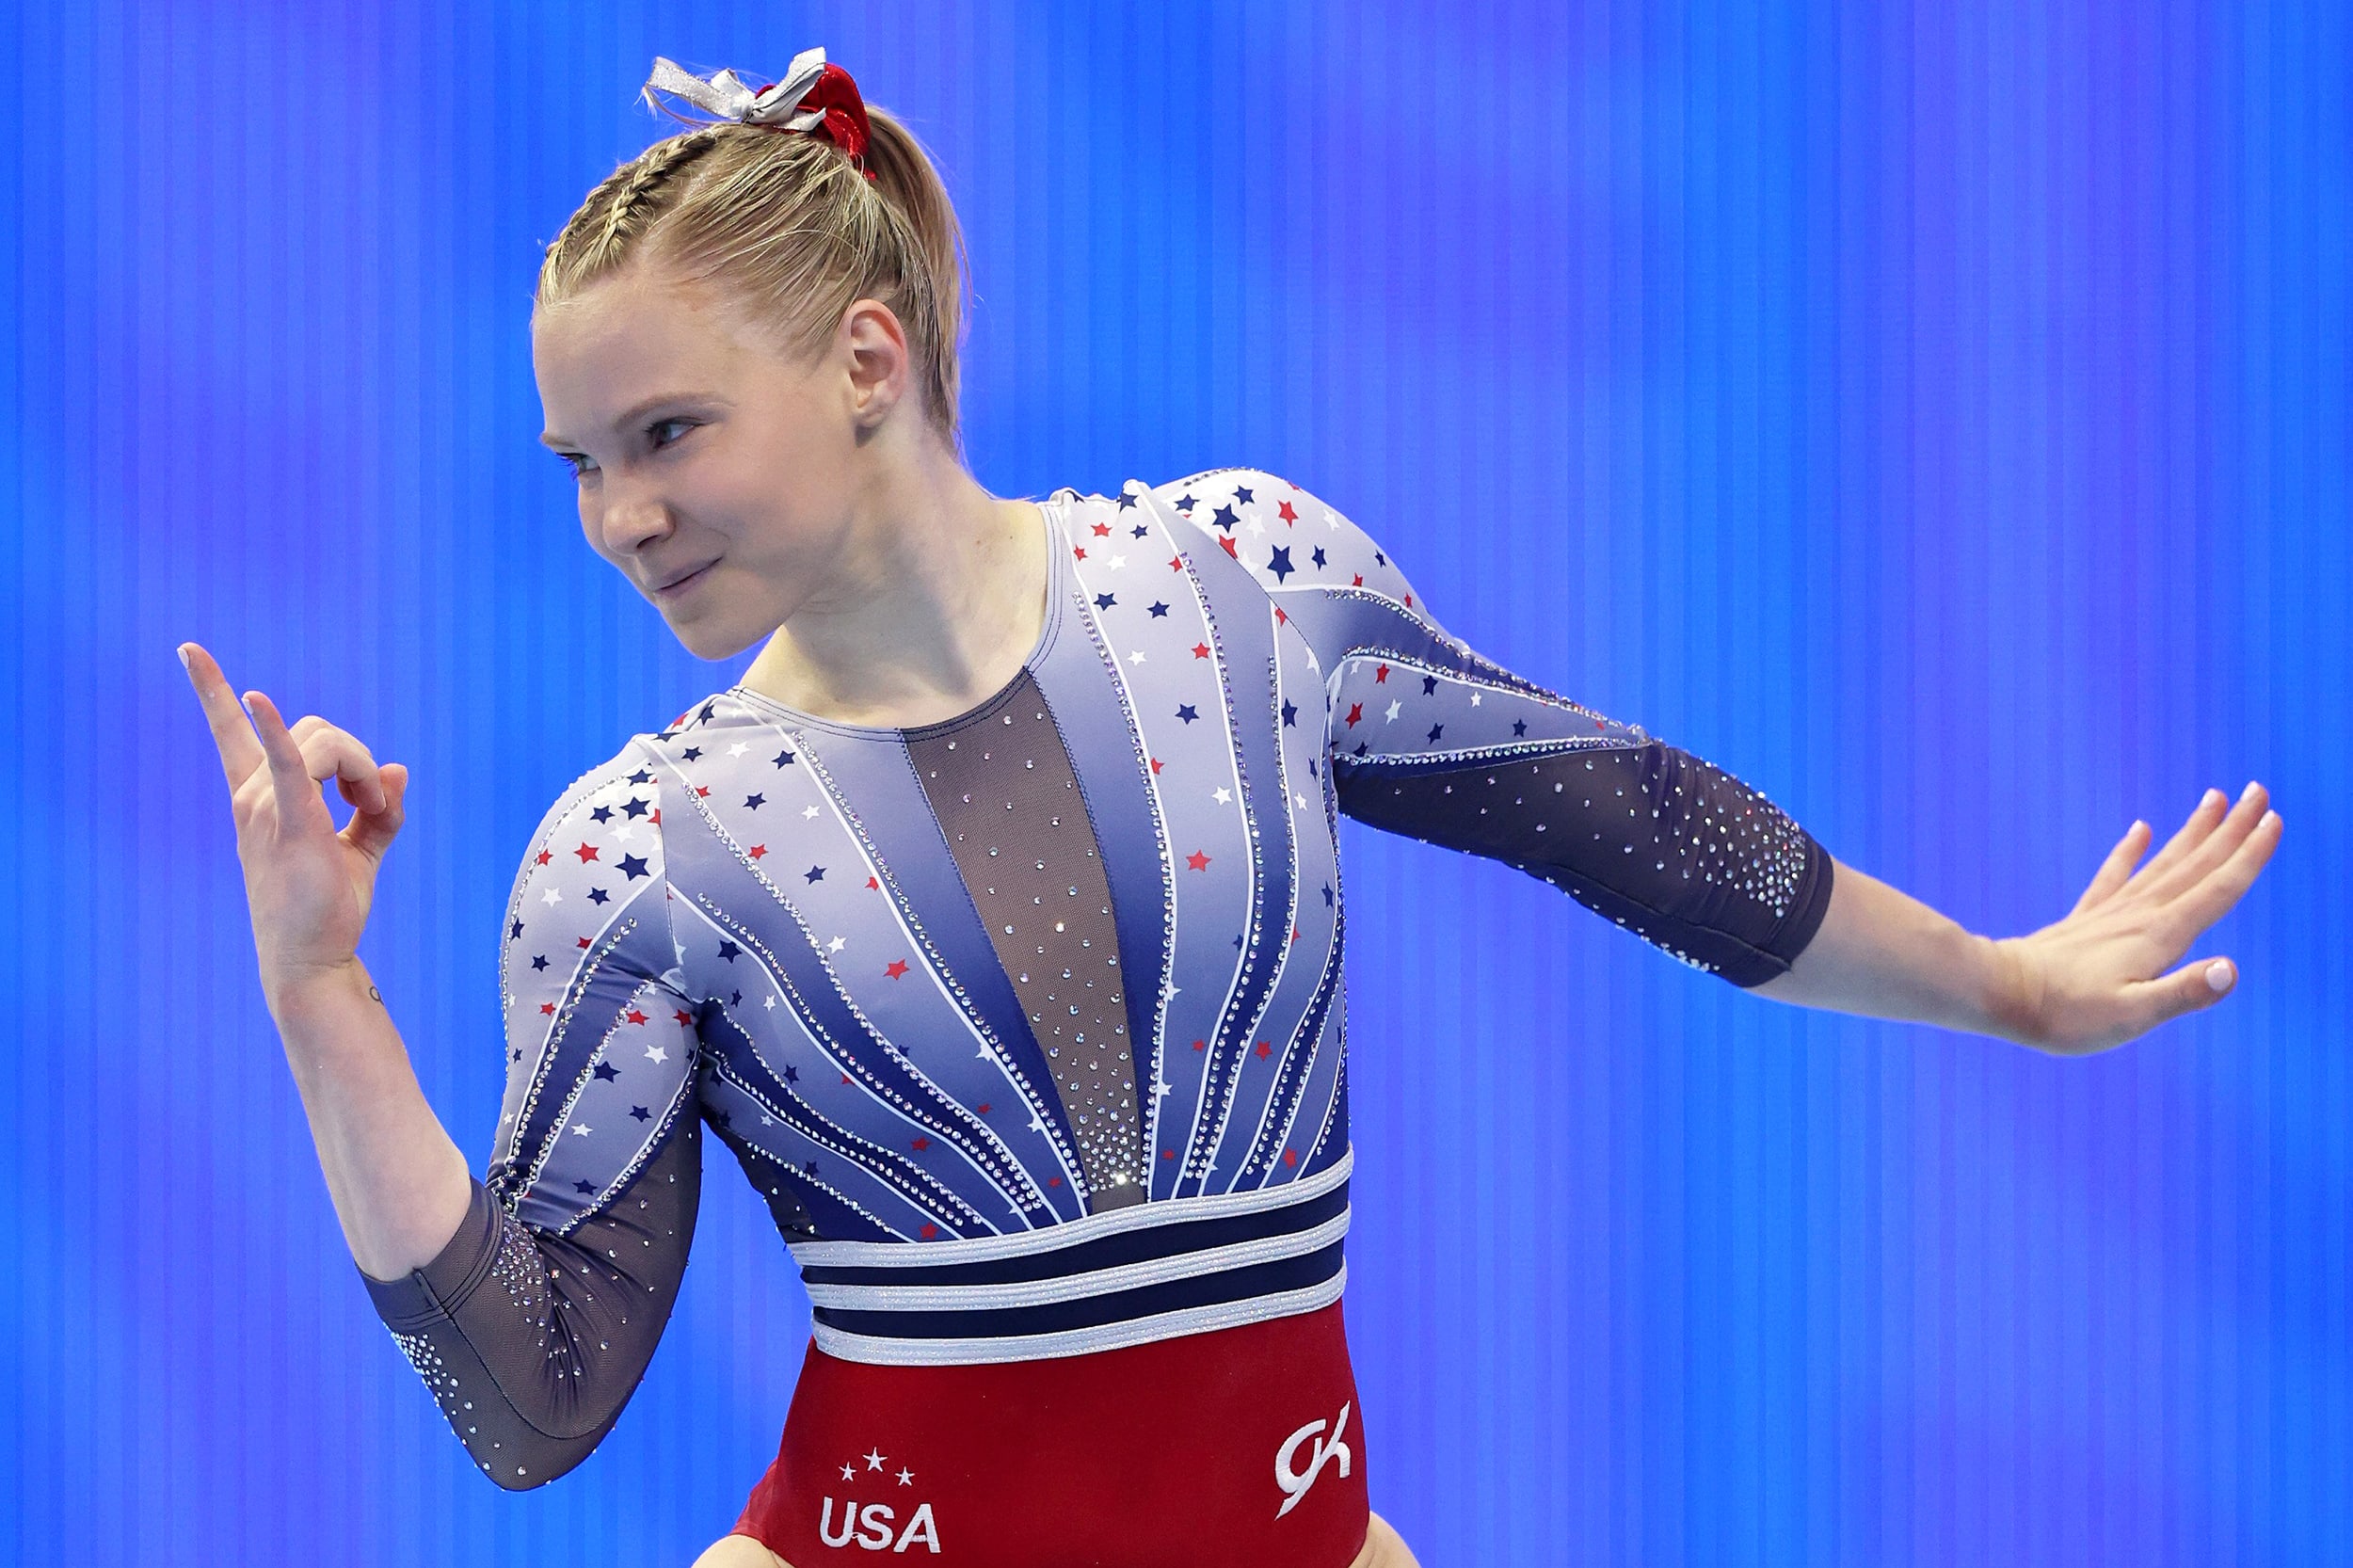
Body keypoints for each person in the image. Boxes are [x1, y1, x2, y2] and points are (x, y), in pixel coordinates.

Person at [178, 44, 2282, 1568]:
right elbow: (531, 1397)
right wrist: (320, 997)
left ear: (867, 357)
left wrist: (2007, 985)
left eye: (665, 431)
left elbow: (1644, 826)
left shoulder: (1239, 590)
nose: (619, 515)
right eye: (579, 462)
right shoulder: (640, 851)